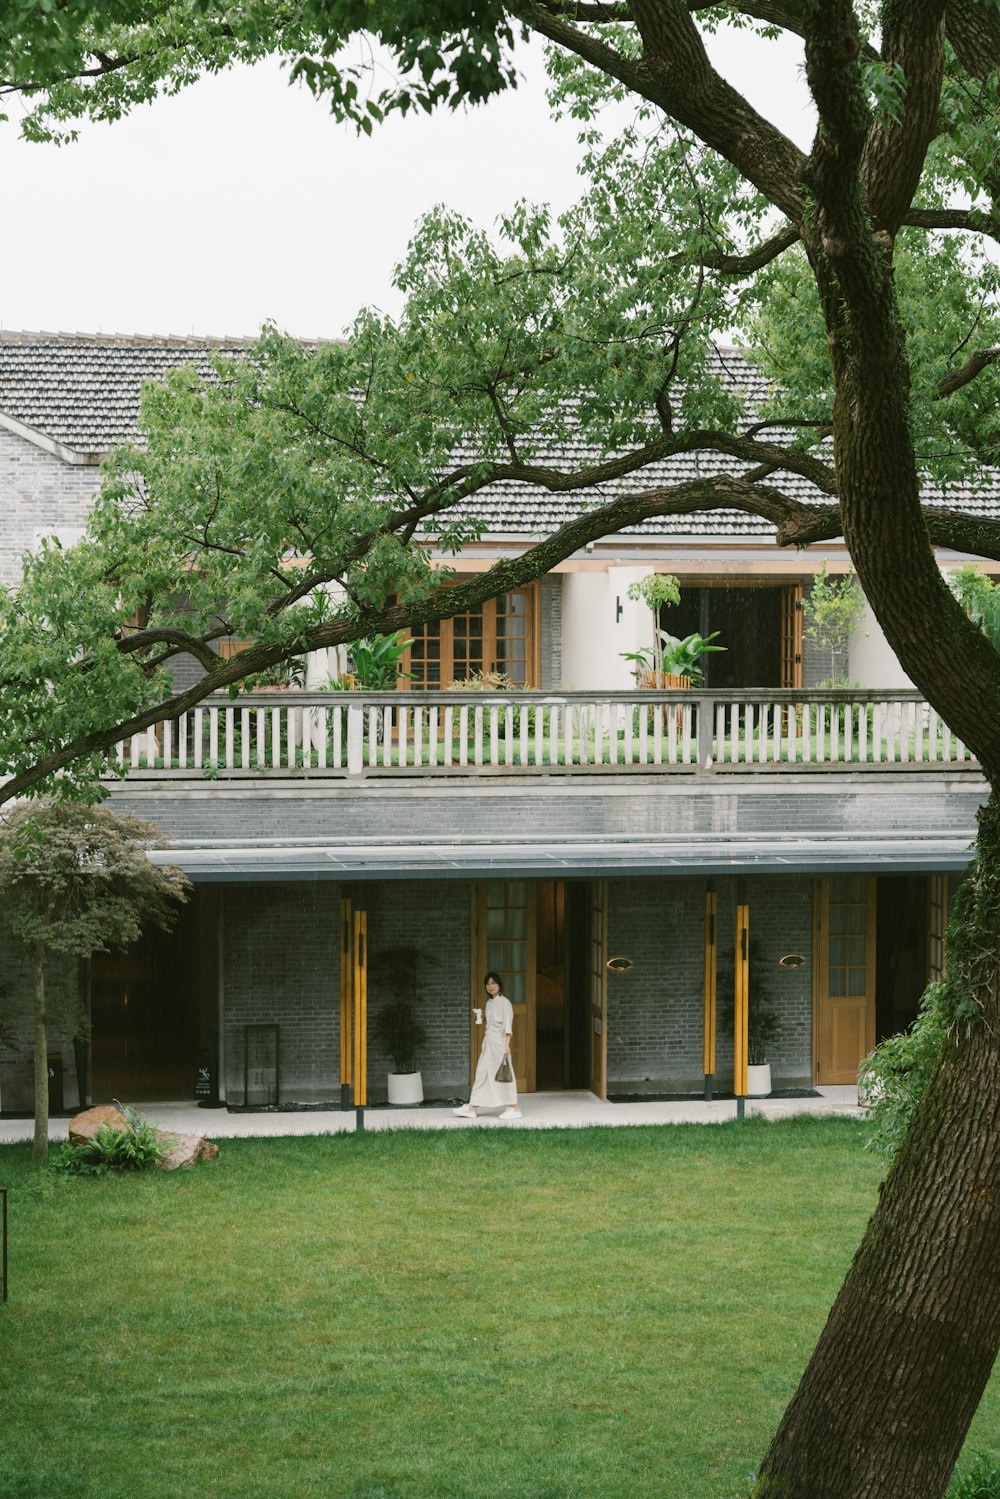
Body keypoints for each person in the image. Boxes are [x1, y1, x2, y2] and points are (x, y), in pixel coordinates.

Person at [453, 971, 522, 1120]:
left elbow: (507, 1026)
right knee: (482, 1074)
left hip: (499, 1044)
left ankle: (514, 1108)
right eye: (488, 984)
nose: (490, 986)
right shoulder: (489, 1003)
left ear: (499, 985)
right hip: (489, 1043)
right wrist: (482, 1017)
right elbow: (491, 1022)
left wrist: (506, 1046)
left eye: (493, 983)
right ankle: (472, 1107)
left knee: (503, 1076)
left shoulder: (505, 1003)